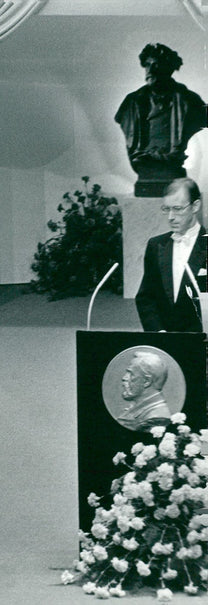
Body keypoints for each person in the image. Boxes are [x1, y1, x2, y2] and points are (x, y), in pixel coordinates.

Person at [115, 43, 205, 196]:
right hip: (145, 169)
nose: (150, 70)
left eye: (157, 65)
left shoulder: (190, 101)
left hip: (173, 168)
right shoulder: (132, 103)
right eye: (147, 65)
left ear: (169, 68)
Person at [136, 177, 207, 332]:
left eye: (177, 209)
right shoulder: (156, 245)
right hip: (164, 339)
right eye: (166, 209)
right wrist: (159, 333)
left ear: (195, 206)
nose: (171, 217)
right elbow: (146, 297)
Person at [116, 351, 172, 432]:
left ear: (147, 381)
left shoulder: (157, 417)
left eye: (131, 374)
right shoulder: (140, 410)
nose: (124, 378)